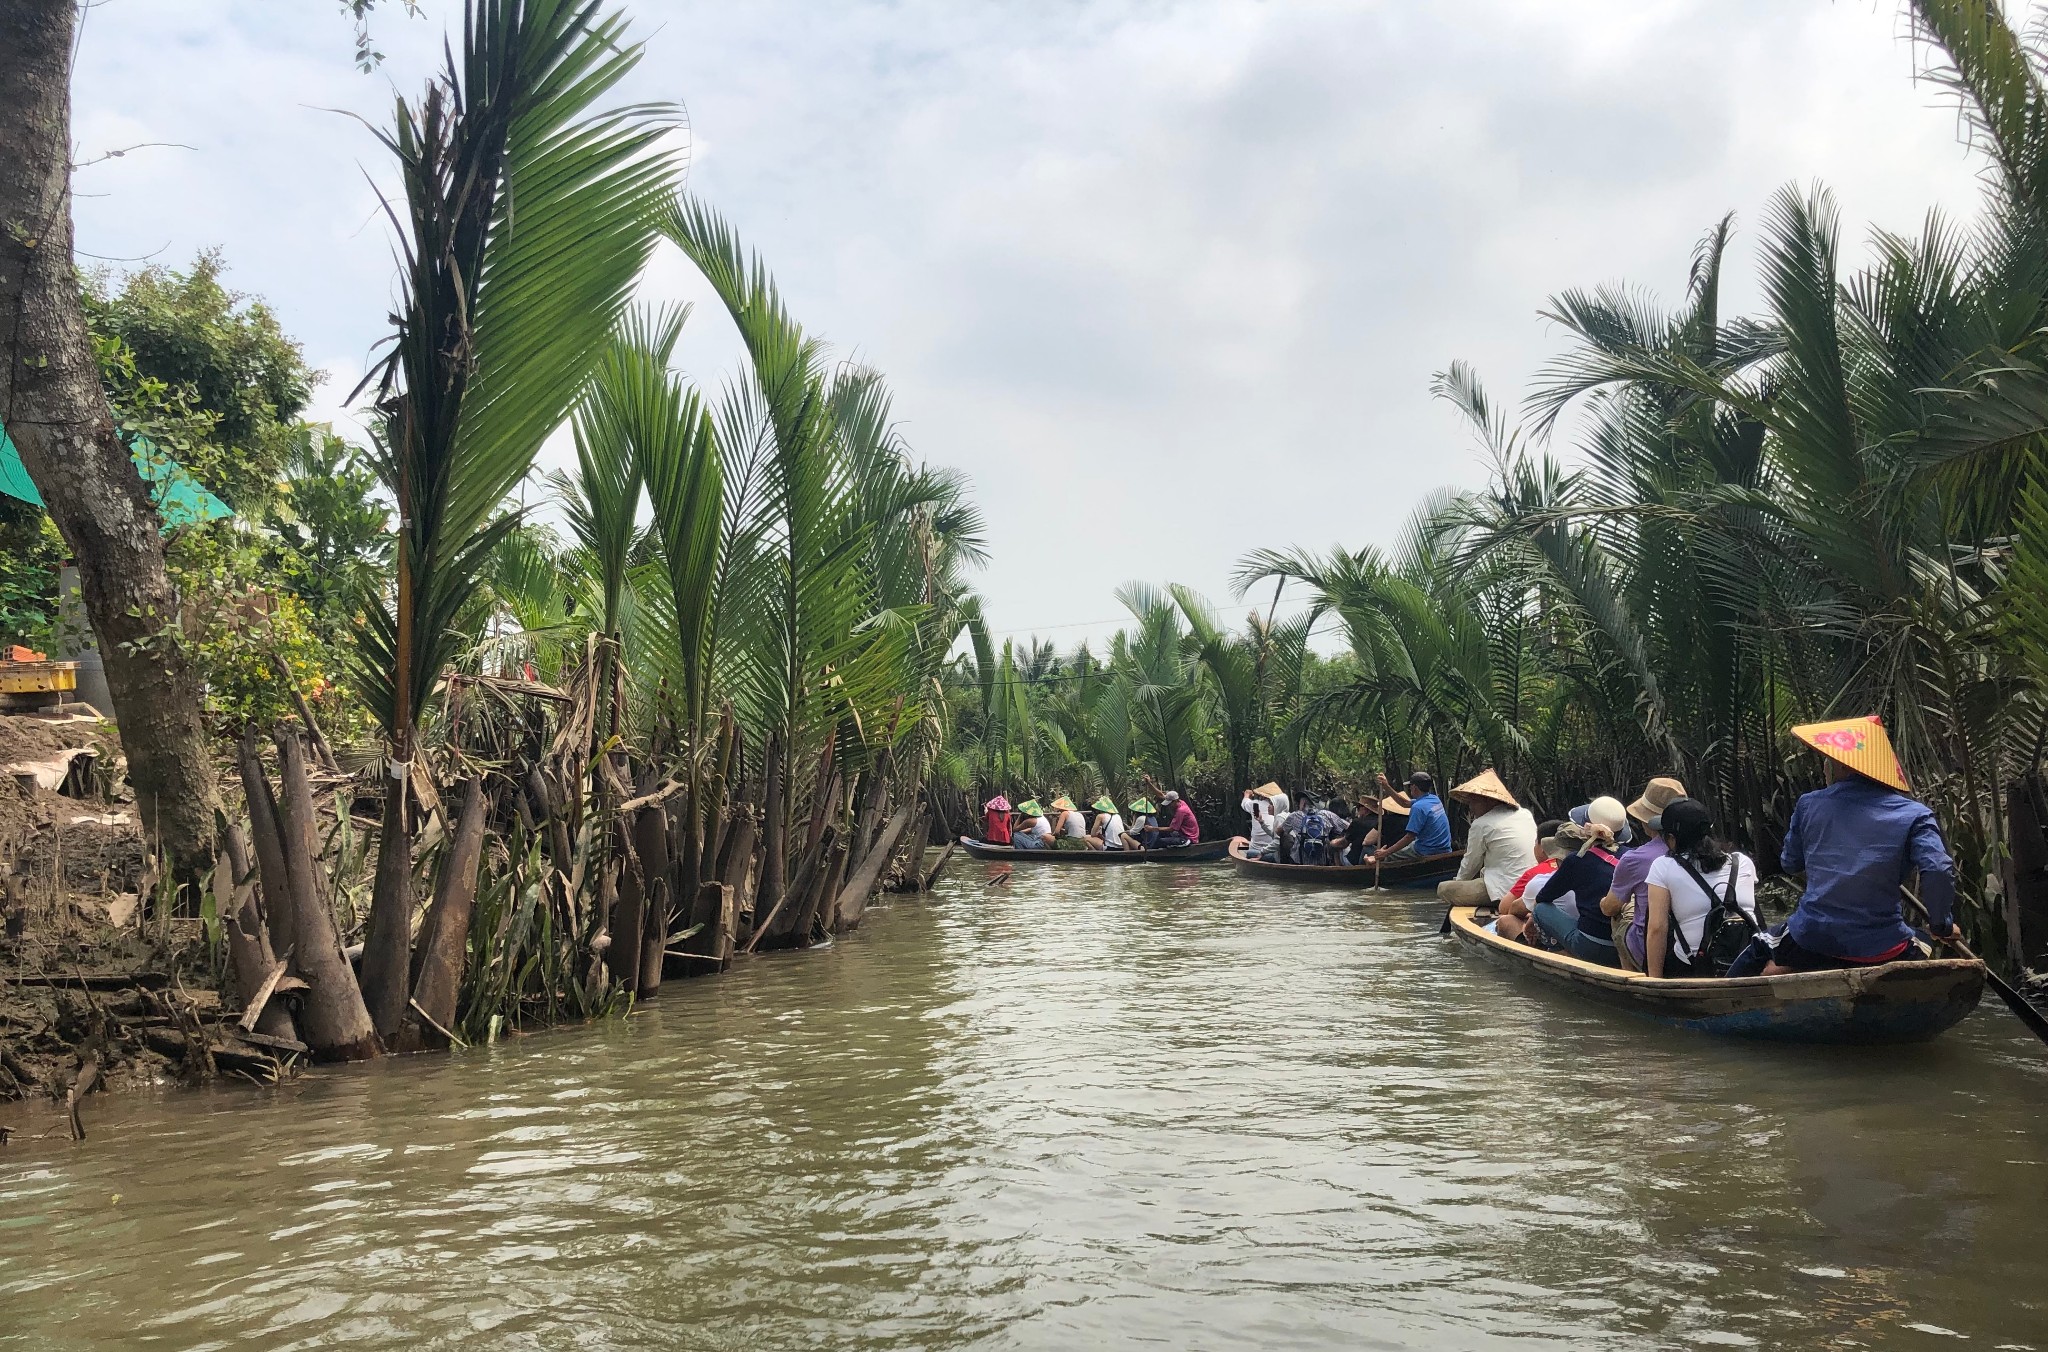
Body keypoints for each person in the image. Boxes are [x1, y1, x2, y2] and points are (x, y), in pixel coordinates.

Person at [1727, 716, 1958, 977]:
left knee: (1759, 947)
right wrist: (1942, 925)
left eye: (1828, 760)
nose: (1825, 767)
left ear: (1841, 766)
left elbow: (1790, 863)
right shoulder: (1916, 814)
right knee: (1923, 942)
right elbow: (1938, 868)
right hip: (1882, 946)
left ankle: (1716, 1005)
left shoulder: (1809, 804)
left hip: (1811, 940)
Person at [1644, 797, 1759, 979]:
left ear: (1672, 839)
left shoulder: (1662, 866)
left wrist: (1654, 981)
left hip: (1698, 966)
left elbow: (1657, 928)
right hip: (1750, 959)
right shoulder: (1742, 862)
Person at [1598, 776, 1686, 971]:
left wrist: (1604, 902)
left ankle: (1630, 977)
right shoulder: (1705, 853)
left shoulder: (1635, 859)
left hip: (1655, 950)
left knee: (1618, 916)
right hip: (1692, 945)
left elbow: (1610, 908)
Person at [1433, 770, 1538, 908]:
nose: (1471, 808)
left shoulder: (1481, 824)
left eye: (1474, 802)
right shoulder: (1525, 814)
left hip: (1504, 890)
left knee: (1443, 888)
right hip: (1531, 885)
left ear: (1489, 800)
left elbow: (1470, 865)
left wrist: (1458, 883)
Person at [1530, 821, 1623, 965]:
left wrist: (1531, 923)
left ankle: (1560, 954)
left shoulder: (1577, 860)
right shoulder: (1628, 855)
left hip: (1590, 945)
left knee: (1540, 909)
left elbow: (1541, 899)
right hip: (1623, 943)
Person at [1494, 820, 1564, 943]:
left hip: (1556, 938)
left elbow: (1504, 907)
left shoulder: (1538, 875)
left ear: (1543, 847)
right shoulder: (1591, 869)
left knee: (1506, 920)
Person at [1368, 771, 1453, 862]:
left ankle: (1375, 861)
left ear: (1414, 788)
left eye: (1410, 786)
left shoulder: (1418, 807)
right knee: (1411, 845)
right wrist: (1386, 786)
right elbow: (1405, 803)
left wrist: (1385, 853)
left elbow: (1409, 837)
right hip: (1444, 847)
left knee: (1390, 856)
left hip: (1427, 850)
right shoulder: (1434, 799)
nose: (1410, 788)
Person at [1242, 782, 1282, 858]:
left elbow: (1244, 803)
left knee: (1244, 850)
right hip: (1276, 851)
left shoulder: (1255, 805)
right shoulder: (1282, 810)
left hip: (1257, 850)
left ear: (1263, 796)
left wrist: (1246, 795)